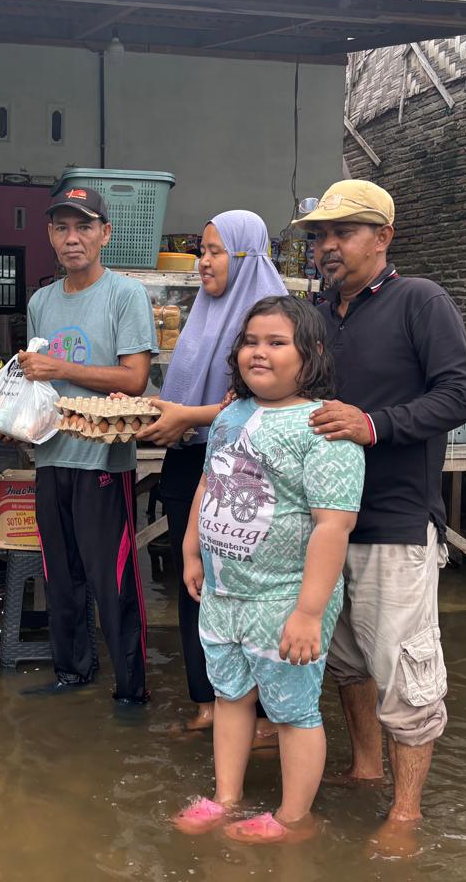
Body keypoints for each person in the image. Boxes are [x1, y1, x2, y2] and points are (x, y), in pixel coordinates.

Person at [296, 179, 466, 832]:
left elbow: (462, 394)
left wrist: (374, 424)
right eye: (319, 235)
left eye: (342, 232)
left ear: (384, 237)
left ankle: (405, 815)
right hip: (324, 523)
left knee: (405, 669)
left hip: (396, 521)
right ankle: (366, 768)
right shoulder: (316, 317)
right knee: (345, 659)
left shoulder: (419, 302)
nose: (326, 246)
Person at [173, 296, 363, 843]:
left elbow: (333, 526)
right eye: (251, 341)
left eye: (277, 343)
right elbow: (210, 483)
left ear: (312, 354)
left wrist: (308, 612)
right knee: (230, 697)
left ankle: (293, 818)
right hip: (226, 593)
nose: (260, 352)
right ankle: (226, 797)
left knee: (292, 710)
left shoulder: (323, 427)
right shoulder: (231, 414)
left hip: (285, 599)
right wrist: (191, 550)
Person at [133, 211, 286, 735]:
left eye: (215, 251)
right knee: (193, 581)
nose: (203, 262)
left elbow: (262, 406)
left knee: (245, 587)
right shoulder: (204, 312)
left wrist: (183, 417)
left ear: (244, 256)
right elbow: (188, 395)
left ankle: (259, 716)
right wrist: (152, 413)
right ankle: (207, 701)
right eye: (201, 251)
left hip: (246, 468)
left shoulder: (272, 319)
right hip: (189, 458)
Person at [18, 186, 158, 705]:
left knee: (112, 575)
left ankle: (131, 688)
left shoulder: (125, 295)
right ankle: (72, 671)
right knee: (61, 573)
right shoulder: (40, 302)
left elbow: (136, 377)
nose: (72, 238)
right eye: (61, 228)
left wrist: (62, 368)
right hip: (52, 454)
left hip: (103, 457)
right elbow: (37, 382)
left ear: (105, 233)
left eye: (83, 227)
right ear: (50, 236)